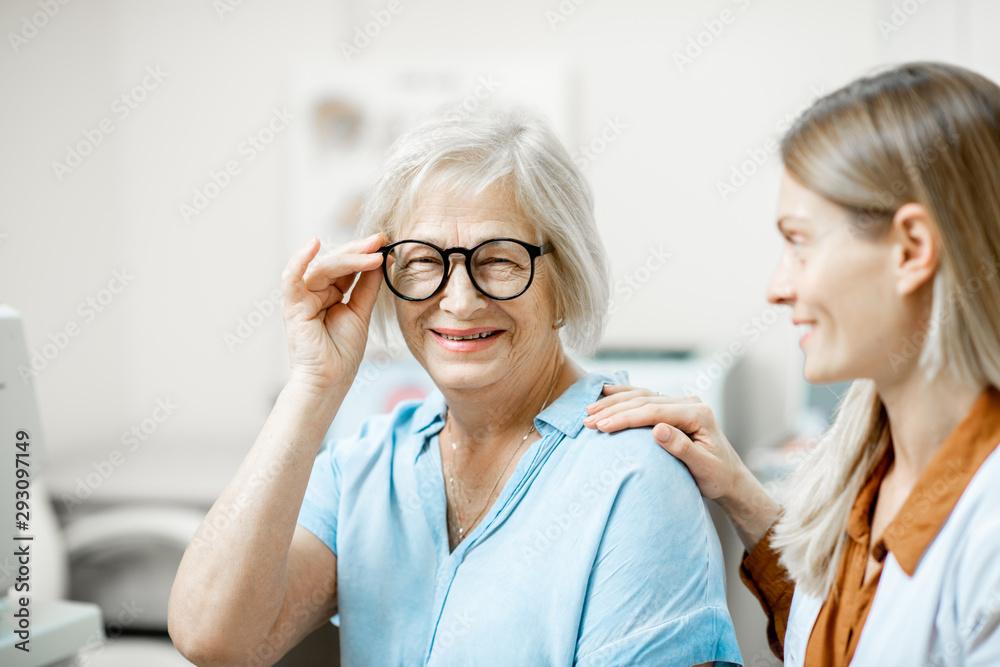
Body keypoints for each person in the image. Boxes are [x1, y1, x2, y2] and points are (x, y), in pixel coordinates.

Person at [168, 106, 742, 666]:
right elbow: (214, 639)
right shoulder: (370, 467)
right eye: (423, 260)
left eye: (499, 260)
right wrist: (311, 388)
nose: (461, 300)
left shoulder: (635, 476)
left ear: (564, 279)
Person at [584, 61, 1000, 666]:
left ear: (911, 249)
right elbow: (837, 634)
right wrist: (737, 490)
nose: (778, 287)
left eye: (800, 243)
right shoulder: (876, 466)